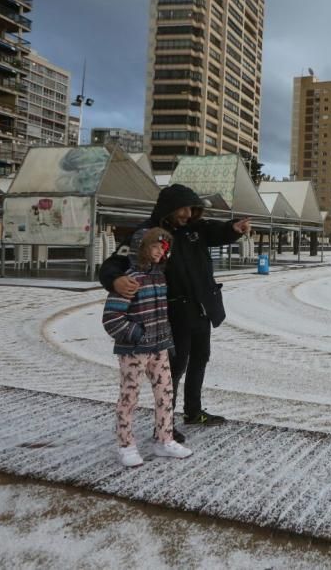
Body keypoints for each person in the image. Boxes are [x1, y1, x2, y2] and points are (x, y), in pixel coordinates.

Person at [100, 184, 251, 442]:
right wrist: (114, 280)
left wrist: (233, 228)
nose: (186, 213)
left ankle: (193, 411)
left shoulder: (195, 229)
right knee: (173, 368)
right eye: (181, 208)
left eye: (190, 208)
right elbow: (113, 263)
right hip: (172, 312)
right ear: (167, 208)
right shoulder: (147, 234)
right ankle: (165, 424)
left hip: (201, 307)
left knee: (200, 359)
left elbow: (216, 231)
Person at [102, 227, 192, 467]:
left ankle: (164, 439)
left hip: (159, 347)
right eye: (154, 246)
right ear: (141, 248)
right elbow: (111, 318)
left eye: (163, 247)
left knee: (165, 394)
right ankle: (125, 445)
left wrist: (165, 339)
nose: (159, 251)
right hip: (134, 351)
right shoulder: (130, 279)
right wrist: (136, 336)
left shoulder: (159, 277)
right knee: (129, 396)